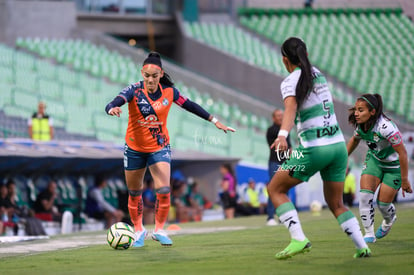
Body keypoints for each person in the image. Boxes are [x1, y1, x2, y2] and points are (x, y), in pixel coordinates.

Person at [104, 52, 235, 247]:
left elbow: (190, 105)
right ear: (142, 73)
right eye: (146, 76)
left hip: (160, 146)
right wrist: (111, 109)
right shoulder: (134, 90)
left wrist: (214, 121)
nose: (150, 79)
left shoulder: (170, 93)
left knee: (164, 189)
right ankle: (139, 230)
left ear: (161, 74)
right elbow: (114, 101)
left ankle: (159, 230)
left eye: (154, 76)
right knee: (134, 192)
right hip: (134, 148)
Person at [267, 37, 370, 259]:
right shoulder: (317, 73)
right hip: (338, 147)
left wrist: (282, 135)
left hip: (315, 149)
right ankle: (362, 247)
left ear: (285, 60)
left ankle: (298, 238)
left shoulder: (289, 81)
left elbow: (290, 109)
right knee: (336, 203)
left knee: (275, 189)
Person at [347, 93, 413, 243]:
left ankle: (389, 220)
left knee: (383, 205)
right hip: (375, 161)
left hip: (394, 167)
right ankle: (369, 234)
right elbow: (354, 140)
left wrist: (404, 179)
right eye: (356, 109)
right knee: (364, 196)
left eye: (361, 110)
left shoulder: (386, 127)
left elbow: (402, 153)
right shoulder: (361, 124)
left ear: (372, 112)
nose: (356, 113)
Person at [266, 109, 292, 226]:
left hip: (286, 162)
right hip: (275, 162)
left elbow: (289, 147)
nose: (281, 117)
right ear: (273, 118)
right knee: (273, 188)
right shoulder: (271, 130)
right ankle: (270, 217)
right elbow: (278, 147)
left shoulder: (286, 131)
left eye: (282, 115)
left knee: (286, 189)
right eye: (278, 115)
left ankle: (284, 216)